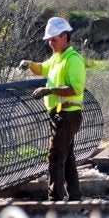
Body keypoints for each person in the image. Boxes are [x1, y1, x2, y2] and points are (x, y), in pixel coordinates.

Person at [19, 16, 86, 201]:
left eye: (54, 39)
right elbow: (42, 69)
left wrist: (48, 90)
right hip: (59, 115)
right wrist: (30, 64)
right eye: (49, 40)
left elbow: (75, 89)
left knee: (55, 156)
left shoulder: (73, 60)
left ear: (65, 37)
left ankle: (55, 199)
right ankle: (74, 196)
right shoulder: (57, 58)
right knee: (68, 158)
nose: (50, 43)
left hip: (68, 114)